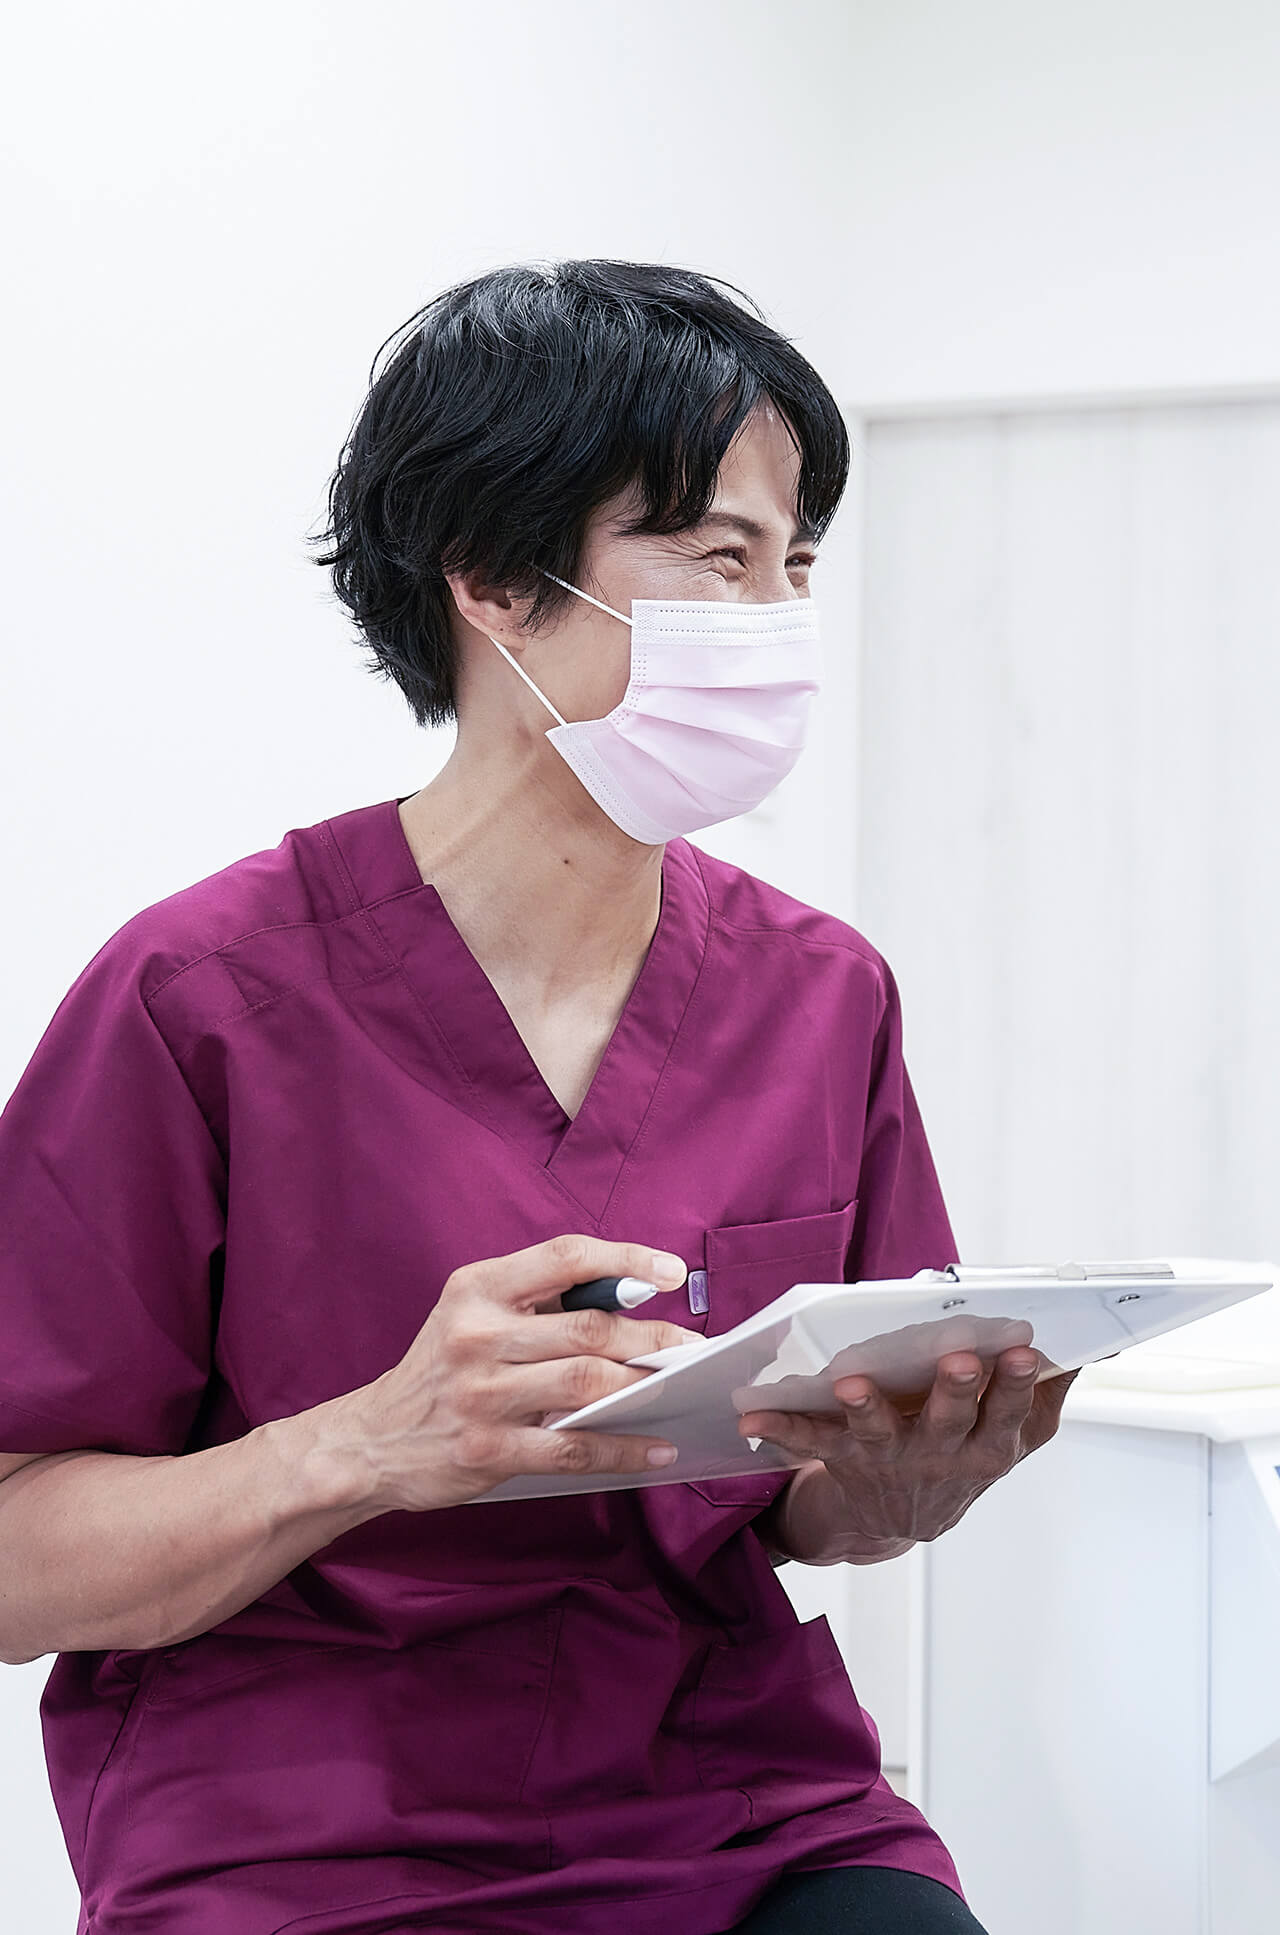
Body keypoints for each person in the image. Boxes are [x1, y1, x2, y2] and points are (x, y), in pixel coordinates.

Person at [0, 259, 1076, 1934]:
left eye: (797, 562)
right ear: (498, 578)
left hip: (730, 1802)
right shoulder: (201, 999)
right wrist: (365, 1447)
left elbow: (817, 1505)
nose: (780, 615)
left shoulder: (821, 993)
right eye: (718, 555)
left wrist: (900, 1485)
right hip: (305, 1836)